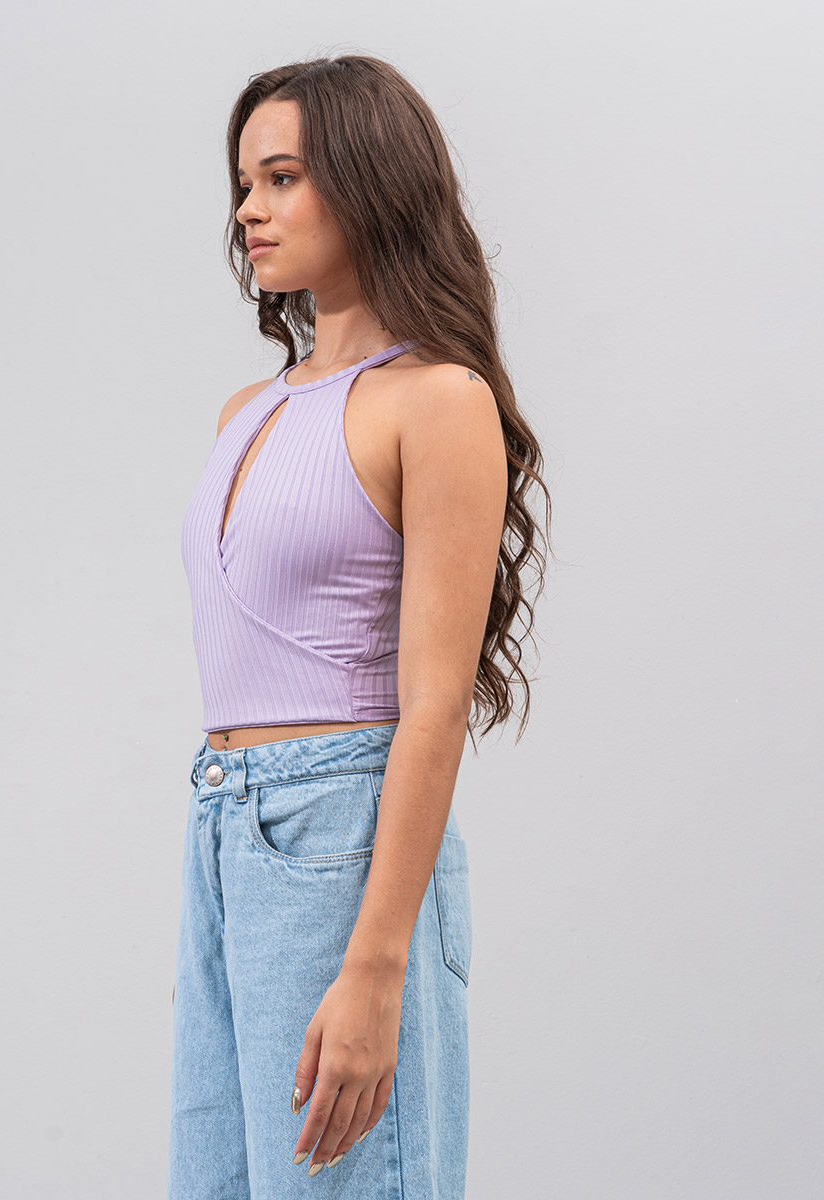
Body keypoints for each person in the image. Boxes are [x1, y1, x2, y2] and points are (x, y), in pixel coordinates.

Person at [168, 53, 551, 1198]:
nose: (250, 210)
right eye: (245, 183)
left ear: (370, 181)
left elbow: (432, 704)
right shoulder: (248, 410)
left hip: (343, 837)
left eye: (283, 178)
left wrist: (377, 965)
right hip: (224, 832)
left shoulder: (439, 400)